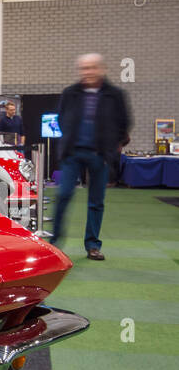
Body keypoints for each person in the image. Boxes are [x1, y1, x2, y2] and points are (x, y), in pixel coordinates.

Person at [50, 53, 132, 260]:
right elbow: (61, 119)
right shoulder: (70, 93)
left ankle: (92, 245)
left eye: (92, 68)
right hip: (73, 153)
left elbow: (124, 123)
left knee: (96, 201)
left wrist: (113, 147)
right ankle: (55, 243)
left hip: (100, 155)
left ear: (101, 69)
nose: (88, 72)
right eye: (84, 68)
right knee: (64, 195)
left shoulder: (115, 94)